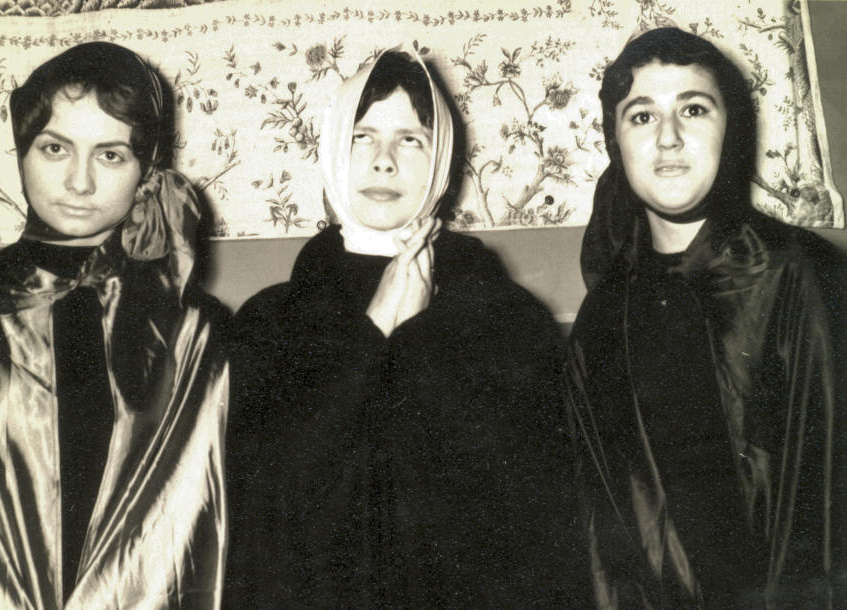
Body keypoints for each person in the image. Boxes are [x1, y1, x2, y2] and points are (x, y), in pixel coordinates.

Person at [226, 49, 577, 606]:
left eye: (410, 139)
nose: (384, 161)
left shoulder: (510, 317)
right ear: (332, 149)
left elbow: (531, 526)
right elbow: (262, 515)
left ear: (441, 160)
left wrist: (419, 344)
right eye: (361, 136)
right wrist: (373, 331)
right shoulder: (267, 321)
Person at [566, 27, 846, 607]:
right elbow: (604, 545)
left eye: (693, 109)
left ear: (729, 128)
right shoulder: (601, 318)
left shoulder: (803, 275)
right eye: (642, 116)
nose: (668, 137)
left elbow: (823, 519)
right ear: (615, 140)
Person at [0, 42, 229, 608]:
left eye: (110, 155)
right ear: (23, 150)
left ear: (146, 167)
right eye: (55, 148)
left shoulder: (195, 328)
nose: (79, 182)